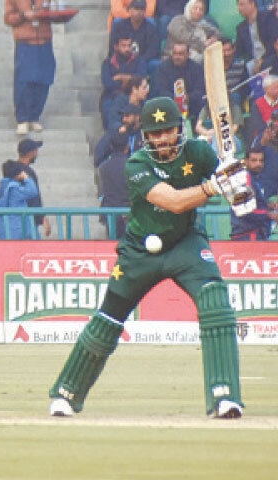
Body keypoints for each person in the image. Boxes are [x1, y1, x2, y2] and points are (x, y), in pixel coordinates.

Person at [48, 97, 245, 419]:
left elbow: (233, 186)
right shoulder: (136, 164)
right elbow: (175, 202)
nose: (163, 139)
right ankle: (65, 394)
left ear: (178, 130)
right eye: (155, 133)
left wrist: (238, 185)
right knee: (108, 318)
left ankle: (225, 397)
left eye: (167, 131)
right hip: (140, 250)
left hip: (185, 242)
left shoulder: (198, 152)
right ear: (146, 137)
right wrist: (213, 187)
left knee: (215, 301)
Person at [4, 0, 56, 135]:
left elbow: (56, 9)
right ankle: (22, 119)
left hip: (45, 40)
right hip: (25, 41)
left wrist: (46, 13)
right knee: (24, 79)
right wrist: (23, 15)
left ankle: (34, 116)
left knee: (44, 79)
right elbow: (8, 18)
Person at [230, 146, 278, 240]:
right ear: (246, 161)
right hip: (249, 236)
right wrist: (270, 215)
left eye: (261, 160)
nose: (258, 164)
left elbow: (251, 204)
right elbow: (245, 210)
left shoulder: (253, 179)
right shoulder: (245, 178)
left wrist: (267, 206)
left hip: (251, 234)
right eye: (254, 160)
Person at [100, 33, 146, 130]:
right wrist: (130, 80)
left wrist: (122, 77)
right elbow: (108, 84)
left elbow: (141, 79)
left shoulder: (139, 61)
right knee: (107, 108)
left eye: (129, 45)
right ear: (116, 46)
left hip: (134, 96)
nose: (127, 49)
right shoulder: (107, 63)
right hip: (112, 96)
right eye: (123, 46)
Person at [0, 160, 39, 239]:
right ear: (17, 174)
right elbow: (33, 191)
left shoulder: (0, 188)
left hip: (4, 230)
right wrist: (25, 177)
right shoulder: (14, 188)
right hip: (19, 230)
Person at [153, 42, 205, 123]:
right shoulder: (163, 68)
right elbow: (160, 90)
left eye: (180, 54)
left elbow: (200, 89)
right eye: (175, 54)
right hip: (169, 106)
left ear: (188, 54)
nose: (177, 57)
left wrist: (188, 98)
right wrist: (175, 99)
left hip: (192, 106)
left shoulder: (196, 68)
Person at [108, 0, 160, 76]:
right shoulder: (119, 26)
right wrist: (127, 61)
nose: (139, 12)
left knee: (155, 64)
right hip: (123, 60)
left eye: (141, 9)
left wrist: (139, 61)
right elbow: (113, 47)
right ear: (129, 10)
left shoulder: (151, 27)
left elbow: (153, 50)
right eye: (136, 8)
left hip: (144, 61)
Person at [162, 0, 219, 64]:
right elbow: (186, 38)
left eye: (201, 10)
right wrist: (203, 44)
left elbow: (217, 33)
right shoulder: (178, 20)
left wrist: (213, 39)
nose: (198, 11)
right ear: (189, 8)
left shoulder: (203, 23)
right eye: (195, 8)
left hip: (198, 56)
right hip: (175, 56)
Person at [97, 131, 131, 239]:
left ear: (111, 146)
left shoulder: (103, 167)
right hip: (128, 214)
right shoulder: (132, 166)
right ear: (127, 146)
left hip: (110, 214)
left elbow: (102, 191)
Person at [17, 138, 51, 237]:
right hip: (28, 220)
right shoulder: (28, 173)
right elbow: (34, 198)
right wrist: (42, 218)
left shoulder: (12, 170)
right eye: (36, 151)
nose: (37, 154)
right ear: (31, 153)